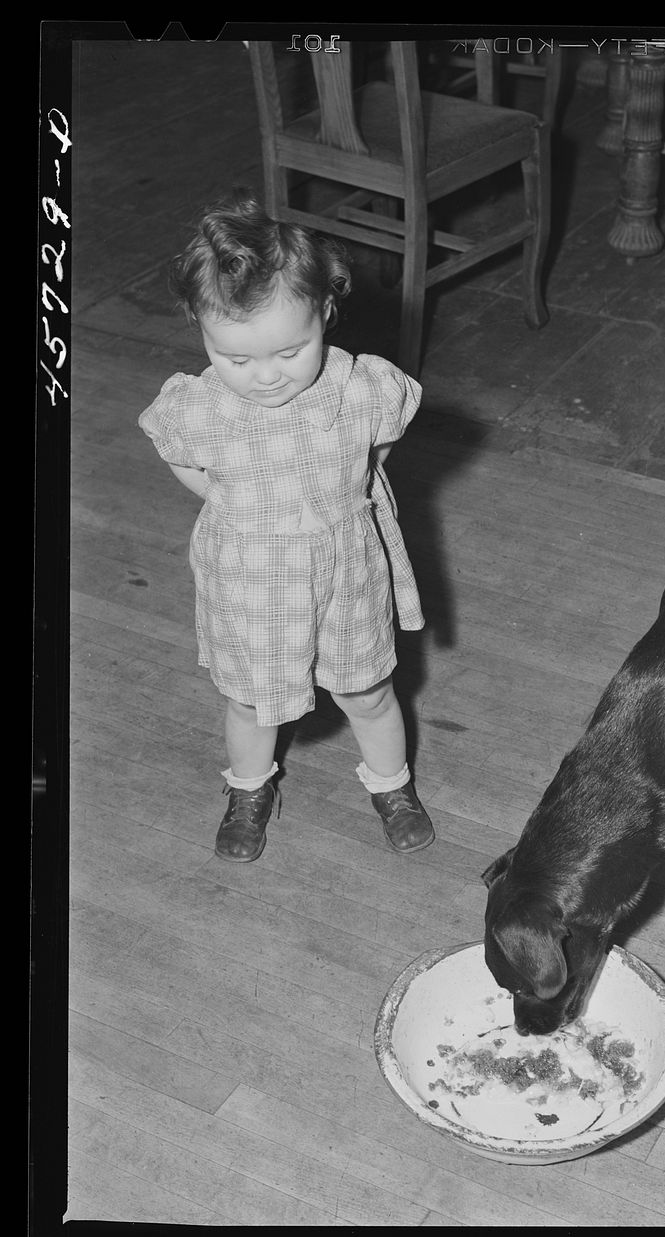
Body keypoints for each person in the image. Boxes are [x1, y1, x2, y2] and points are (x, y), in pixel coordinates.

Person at [138, 189, 434, 863]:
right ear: (201, 328)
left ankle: (391, 785)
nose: (265, 376)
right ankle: (249, 788)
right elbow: (179, 452)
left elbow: (379, 441)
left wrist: (348, 487)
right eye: (236, 359)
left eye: (290, 351)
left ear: (325, 313)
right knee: (251, 701)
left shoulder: (359, 388)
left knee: (368, 687)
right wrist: (227, 495)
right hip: (251, 579)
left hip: (346, 571)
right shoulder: (203, 406)